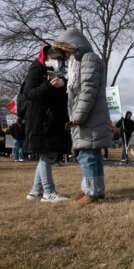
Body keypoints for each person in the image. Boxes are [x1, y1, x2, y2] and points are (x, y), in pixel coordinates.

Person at [52, 29, 112, 207]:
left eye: (67, 50)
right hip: (88, 116)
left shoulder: (88, 59)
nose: (66, 54)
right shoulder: (79, 62)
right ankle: (92, 190)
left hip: (89, 117)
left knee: (87, 155)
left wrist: (77, 115)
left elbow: (88, 89)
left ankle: (92, 192)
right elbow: (80, 88)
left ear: (74, 45)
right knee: (91, 155)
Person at [23, 45, 70, 202]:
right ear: (50, 58)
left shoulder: (53, 70)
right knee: (46, 154)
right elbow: (29, 93)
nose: (61, 63)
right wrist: (48, 85)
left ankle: (35, 191)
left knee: (46, 155)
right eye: (59, 60)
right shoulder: (36, 68)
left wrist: (62, 84)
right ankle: (48, 192)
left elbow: (59, 94)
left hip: (51, 119)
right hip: (40, 120)